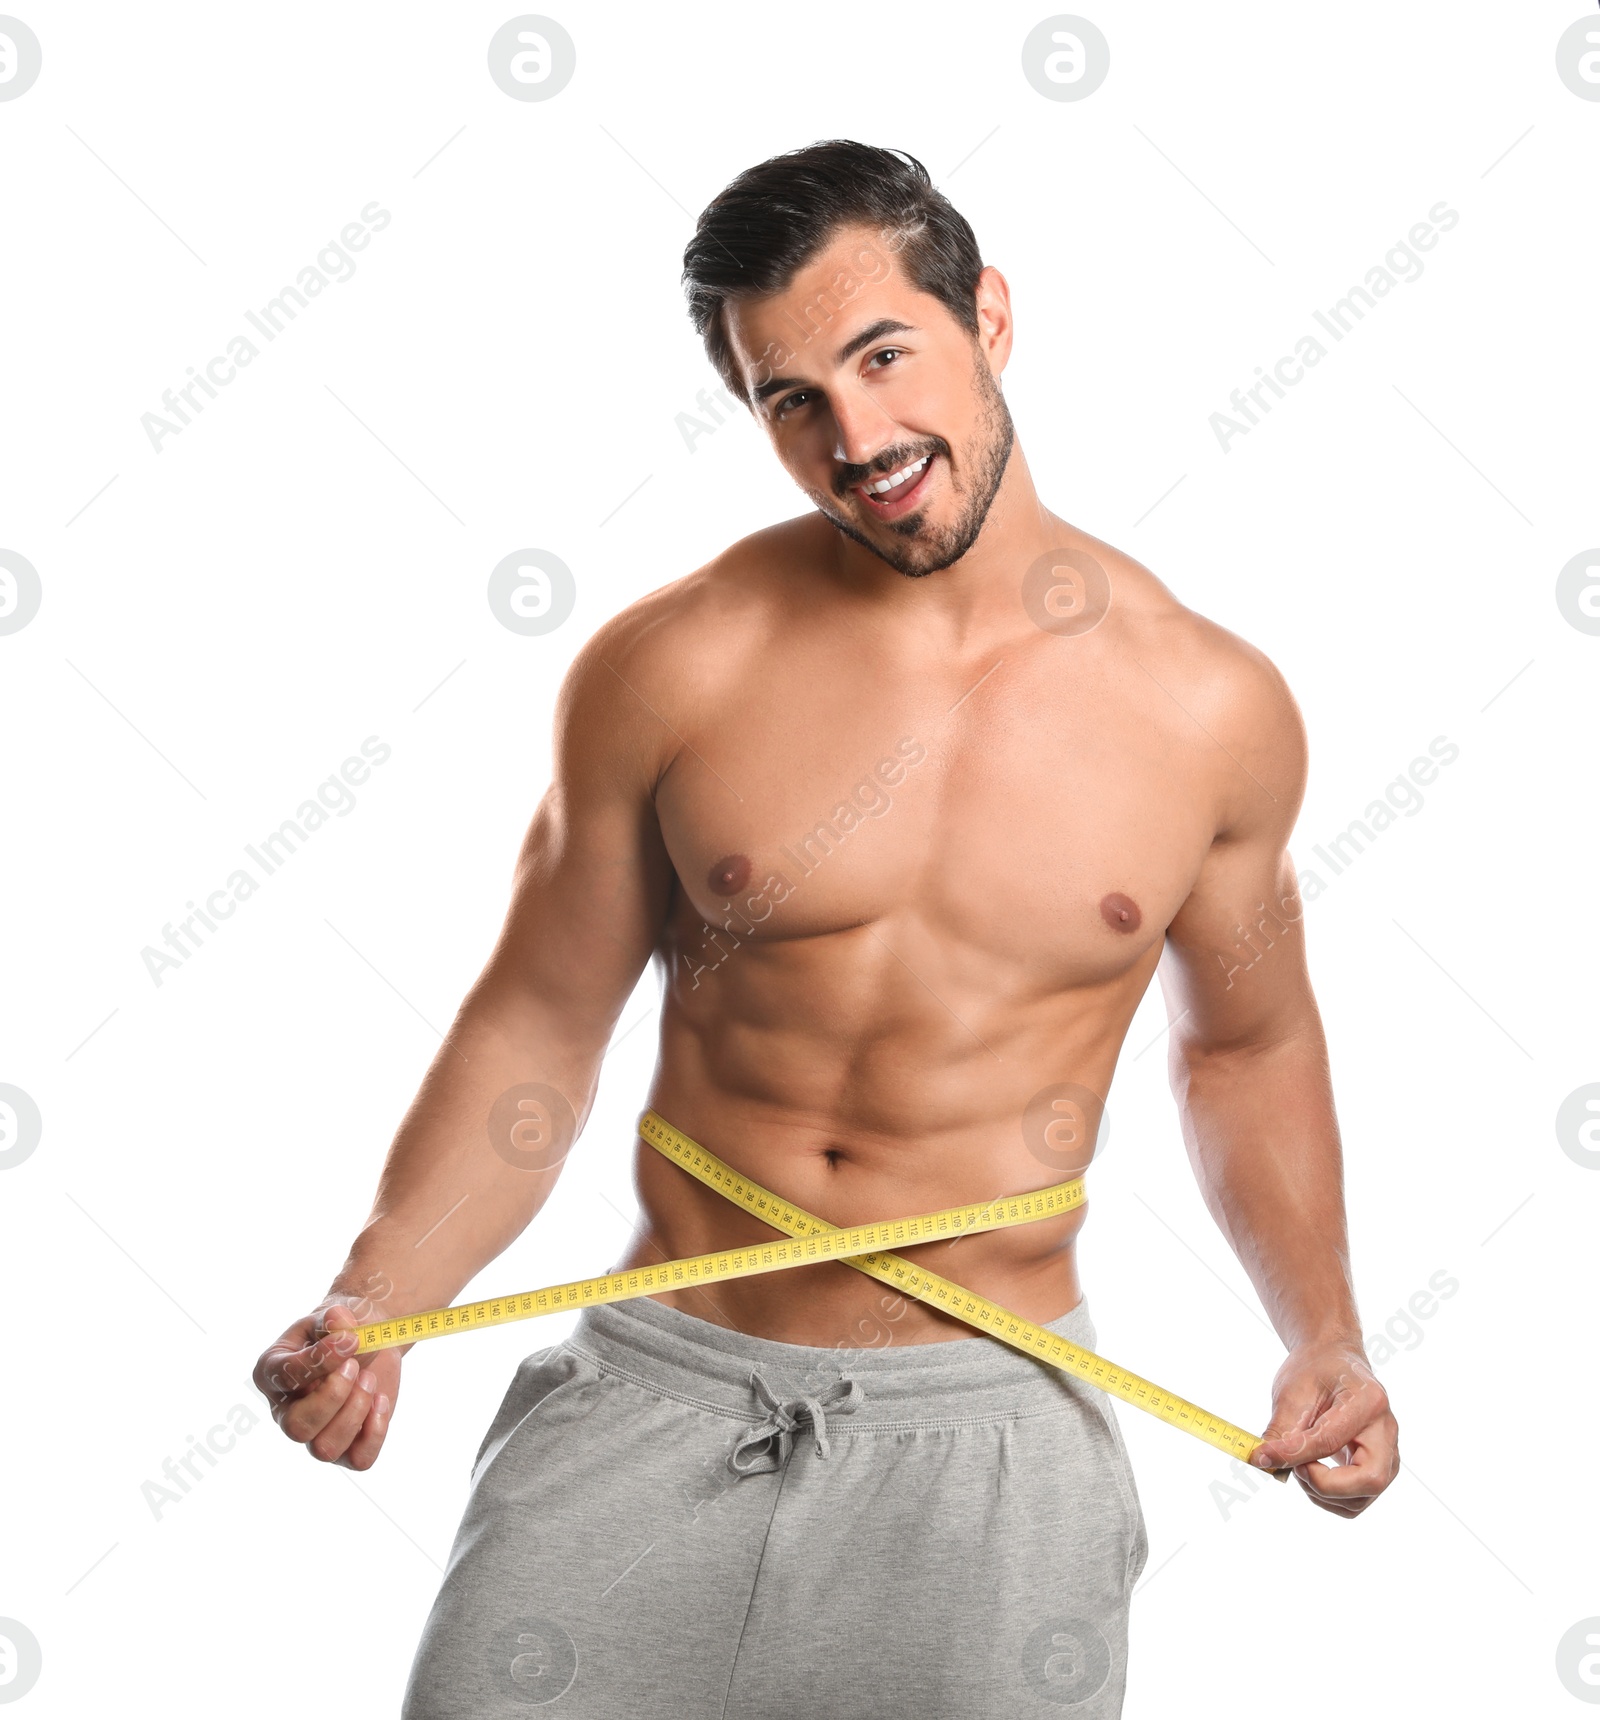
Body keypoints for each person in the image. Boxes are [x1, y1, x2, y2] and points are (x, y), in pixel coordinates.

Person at [254, 139, 1398, 1717]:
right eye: (791, 398)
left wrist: (1321, 1333)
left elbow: (1248, 1045)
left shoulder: (1211, 709)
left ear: (987, 317)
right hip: (658, 1388)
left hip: (991, 1433)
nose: (856, 439)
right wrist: (382, 1286)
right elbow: (539, 1019)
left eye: (882, 356)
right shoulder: (675, 665)